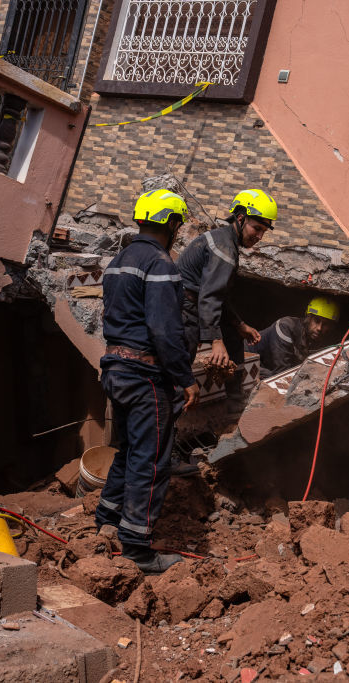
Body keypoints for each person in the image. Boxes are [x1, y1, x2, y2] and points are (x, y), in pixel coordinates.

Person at [95, 189, 200, 574]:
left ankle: (105, 521)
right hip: (145, 379)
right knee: (152, 461)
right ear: (173, 224)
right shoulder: (160, 263)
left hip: (116, 371)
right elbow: (165, 330)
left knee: (129, 451)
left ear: (141, 220)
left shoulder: (118, 261)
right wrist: (185, 379)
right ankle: (137, 546)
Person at [177, 189, 277, 408]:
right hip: (183, 310)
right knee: (178, 373)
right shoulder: (225, 249)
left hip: (193, 304)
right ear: (240, 218)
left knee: (233, 334)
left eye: (264, 231)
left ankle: (235, 400)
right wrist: (215, 341)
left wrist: (239, 324)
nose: (259, 236)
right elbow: (209, 297)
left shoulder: (225, 241)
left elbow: (219, 295)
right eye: (257, 228)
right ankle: (175, 411)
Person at [248, 296, 341, 378]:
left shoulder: (317, 340)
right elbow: (282, 372)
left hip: (268, 367)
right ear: (308, 318)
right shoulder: (285, 327)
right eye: (316, 321)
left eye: (325, 324)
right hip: (245, 358)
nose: (319, 328)